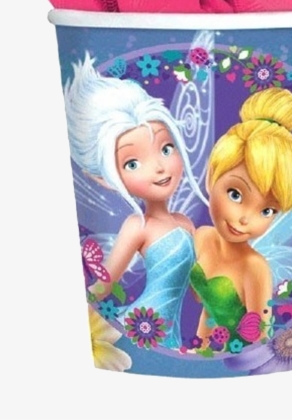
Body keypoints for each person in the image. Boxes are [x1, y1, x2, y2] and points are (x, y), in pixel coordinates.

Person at [63, 53, 205, 349]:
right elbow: (104, 286)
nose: (159, 167)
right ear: (105, 178)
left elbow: (196, 291)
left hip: (170, 332)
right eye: (132, 163)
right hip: (140, 326)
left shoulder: (185, 223)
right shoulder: (137, 225)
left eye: (166, 148)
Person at [190, 87, 292, 351]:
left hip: (236, 359)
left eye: (267, 211)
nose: (245, 219)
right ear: (212, 177)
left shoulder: (254, 268)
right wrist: (200, 347)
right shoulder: (202, 237)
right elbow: (208, 311)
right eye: (235, 194)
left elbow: (260, 338)